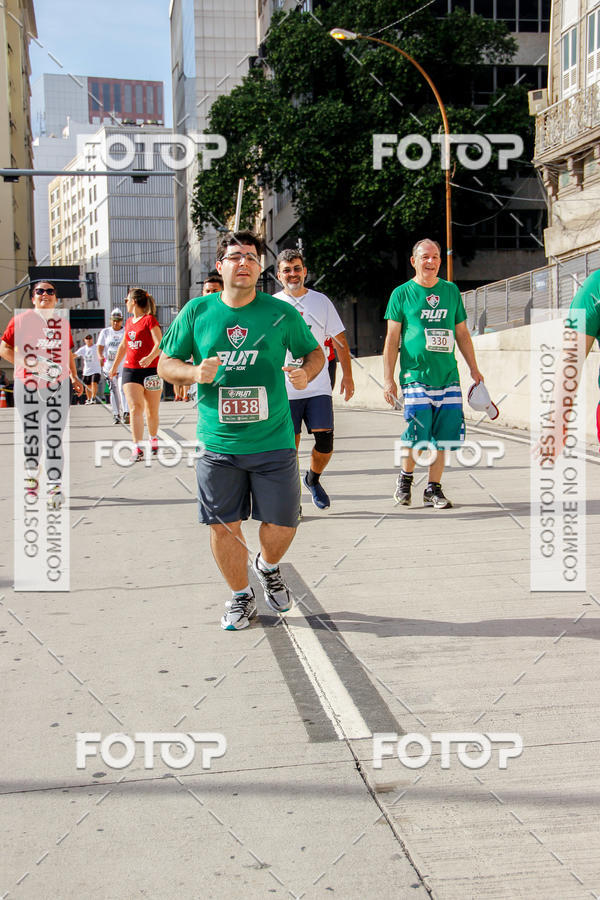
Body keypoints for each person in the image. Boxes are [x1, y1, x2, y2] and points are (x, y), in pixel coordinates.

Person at [157, 230, 324, 631]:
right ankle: (241, 596)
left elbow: (314, 352)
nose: (244, 263)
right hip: (219, 444)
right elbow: (165, 363)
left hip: (273, 441)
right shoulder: (197, 312)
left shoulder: (280, 312)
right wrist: (194, 372)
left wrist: (306, 373)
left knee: (284, 524)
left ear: (259, 266)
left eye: (251, 257)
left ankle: (267, 567)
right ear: (220, 266)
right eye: (235, 257)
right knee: (223, 527)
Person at [383, 239, 484, 509]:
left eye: (436, 257)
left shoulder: (451, 291)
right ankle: (405, 480)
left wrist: (473, 367)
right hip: (415, 375)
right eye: (425, 257)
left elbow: (462, 333)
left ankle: (433, 489)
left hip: (448, 376)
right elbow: (392, 339)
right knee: (419, 431)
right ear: (414, 261)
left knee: (445, 435)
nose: (431, 261)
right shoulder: (401, 294)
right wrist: (388, 378)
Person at [273, 249, 354, 510]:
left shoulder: (321, 302)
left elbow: (340, 340)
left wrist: (348, 377)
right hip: (285, 390)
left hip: (317, 385)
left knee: (325, 443)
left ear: (305, 271)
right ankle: (292, 498)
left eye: (297, 268)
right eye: (287, 270)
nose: (293, 274)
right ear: (278, 275)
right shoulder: (272, 305)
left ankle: (313, 479)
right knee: (289, 449)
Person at [0, 280, 84, 505]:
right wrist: (30, 364)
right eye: (40, 291)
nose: (44, 294)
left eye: (50, 291)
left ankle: (54, 488)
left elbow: (66, 352)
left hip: (58, 386)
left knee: (53, 437)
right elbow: (4, 349)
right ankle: (31, 475)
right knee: (32, 434)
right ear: (33, 297)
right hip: (27, 386)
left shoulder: (61, 323)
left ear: (56, 298)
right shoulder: (21, 320)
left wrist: (74, 377)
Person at [110, 288, 162, 462]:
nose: (125, 303)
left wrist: (150, 357)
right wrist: (114, 367)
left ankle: (153, 438)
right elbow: (123, 346)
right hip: (131, 370)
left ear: (134, 301)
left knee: (151, 410)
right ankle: (137, 447)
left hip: (151, 370)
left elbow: (160, 343)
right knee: (134, 408)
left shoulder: (149, 320)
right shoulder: (130, 322)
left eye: (127, 300)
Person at [98, 309, 129, 424]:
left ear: (121, 321)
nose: (116, 323)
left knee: (122, 388)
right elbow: (100, 347)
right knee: (113, 390)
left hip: (123, 366)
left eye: (118, 321)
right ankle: (116, 414)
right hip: (109, 367)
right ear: (111, 321)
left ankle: (126, 412)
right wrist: (100, 356)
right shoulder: (105, 332)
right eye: (114, 321)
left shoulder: (126, 331)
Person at [75, 334, 102, 404]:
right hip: (87, 371)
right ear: (84, 340)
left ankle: (93, 398)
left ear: (92, 339)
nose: (89, 340)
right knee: (87, 385)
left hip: (96, 369)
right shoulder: (83, 349)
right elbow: (74, 355)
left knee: (94, 383)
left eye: (90, 338)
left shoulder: (96, 347)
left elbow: (103, 352)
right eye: (87, 339)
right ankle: (89, 399)